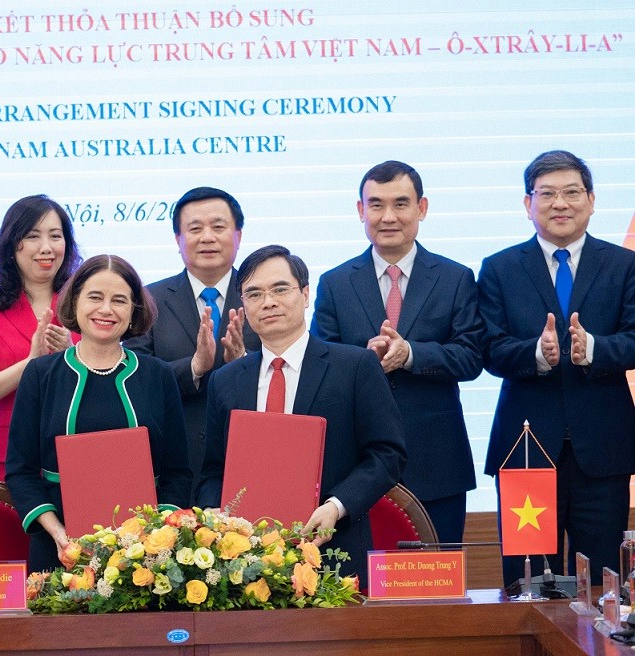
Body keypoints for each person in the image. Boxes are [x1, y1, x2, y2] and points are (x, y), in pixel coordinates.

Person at [196, 245, 406, 588]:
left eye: (280, 289)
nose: (268, 302)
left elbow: (387, 455)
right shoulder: (226, 380)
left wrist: (336, 507)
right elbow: (212, 472)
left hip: (334, 554)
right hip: (243, 565)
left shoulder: (353, 367)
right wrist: (216, 515)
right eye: (254, 293)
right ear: (244, 306)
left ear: (305, 294)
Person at [478, 150, 635, 586]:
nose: (559, 204)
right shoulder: (499, 268)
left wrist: (596, 348)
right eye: (546, 194)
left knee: (603, 579)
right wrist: (535, 354)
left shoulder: (624, 265)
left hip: (602, 447)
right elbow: (487, 348)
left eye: (571, 192)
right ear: (528, 204)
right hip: (525, 447)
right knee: (529, 581)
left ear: (591, 199)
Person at [310, 160, 484, 544]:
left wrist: (411, 355)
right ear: (360, 211)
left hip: (437, 461)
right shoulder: (336, 283)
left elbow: (471, 357)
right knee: (361, 590)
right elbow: (319, 365)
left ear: (421, 208)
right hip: (357, 464)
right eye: (376, 205)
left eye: (401, 204)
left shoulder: (455, 278)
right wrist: (361, 361)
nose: (388, 216)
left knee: (438, 584)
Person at [6, 255, 192, 572]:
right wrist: (57, 532)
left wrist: (154, 533)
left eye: (119, 300)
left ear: (134, 311)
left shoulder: (158, 375)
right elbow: (20, 470)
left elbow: (178, 472)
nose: (106, 309)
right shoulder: (41, 374)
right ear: (74, 301)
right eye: (95, 297)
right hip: (58, 549)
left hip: (145, 555)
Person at [124, 187, 260, 502]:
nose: (207, 237)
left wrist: (243, 361)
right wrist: (195, 367)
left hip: (250, 458)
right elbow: (135, 379)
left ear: (238, 235)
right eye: (195, 228)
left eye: (218, 226)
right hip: (173, 466)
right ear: (178, 240)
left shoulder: (265, 296)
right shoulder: (149, 299)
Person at [0, 195, 82, 480]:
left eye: (56, 236)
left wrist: (72, 356)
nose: (46, 247)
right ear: (11, 245)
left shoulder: (85, 304)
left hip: (76, 449)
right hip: (5, 455)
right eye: (32, 236)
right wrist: (32, 362)